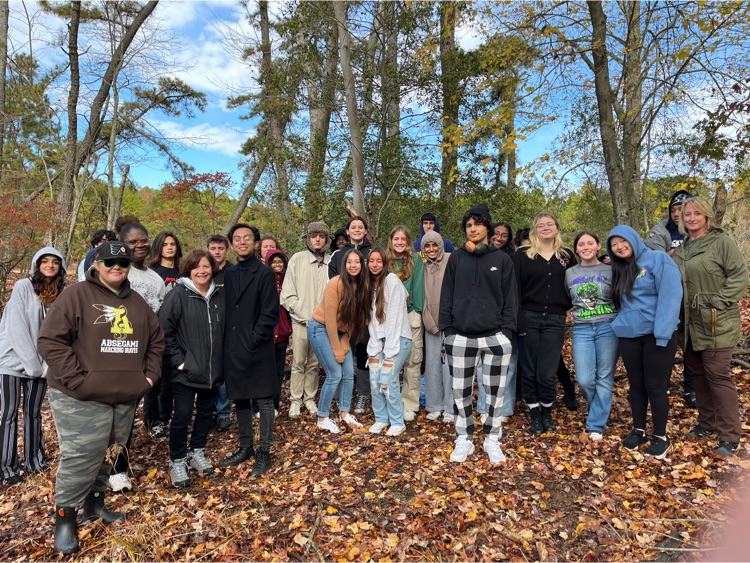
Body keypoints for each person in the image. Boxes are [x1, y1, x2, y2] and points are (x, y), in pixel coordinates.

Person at [38, 241, 164, 554]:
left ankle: (95, 505)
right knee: (82, 456)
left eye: (122, 262)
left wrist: (147, 378)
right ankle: (65, 518)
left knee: (110, 452)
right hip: (78, 396)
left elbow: (157, 343)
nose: (116, 267)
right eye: (109, 262)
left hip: (123, 396)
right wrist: (77, 381)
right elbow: (50, 341)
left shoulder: (137, 303)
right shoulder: (76, 295)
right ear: (97, 264)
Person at [439, 203, 517, 464]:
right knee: (460, 392)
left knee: (495, 394)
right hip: (460, 335)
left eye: (477, 224)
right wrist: (448, 330)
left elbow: (510, 299)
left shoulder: (502, 260)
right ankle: (464, 439)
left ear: (488, 227)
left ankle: (492, 440)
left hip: (495, 336)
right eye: (468, 226)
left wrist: (506, 333)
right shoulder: (457, 258)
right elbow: (446, 295)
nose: (473, 229)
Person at [672, 197, 748, 458]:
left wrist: (718, 301)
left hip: (717, 321)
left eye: (696, 214)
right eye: (687, 214)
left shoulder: (721, 242)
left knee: (717, 374)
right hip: (689, 323)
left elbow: (739, 275)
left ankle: (730, 435)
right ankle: (707, 424)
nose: (691, 218)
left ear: (706, 216)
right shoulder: (681, 249)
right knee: (698, 373)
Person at [606, 225, 682, 459]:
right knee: (636, 385)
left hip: (657, 335)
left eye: (622, 241)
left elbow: (671, 296)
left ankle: (660, 435)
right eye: (614, 244)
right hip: (629, 335)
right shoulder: (620, 268)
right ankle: (638, 429)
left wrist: (662, 333)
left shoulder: (657, 259)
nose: (619, 247)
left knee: (656, 386)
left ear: (633, 238)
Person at [0, 247, 66, 487]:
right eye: (44, 261)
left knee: (34, 413)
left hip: (40, 365)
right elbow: (16, 327)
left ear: (61, 266)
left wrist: (46, 364)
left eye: (55, 262)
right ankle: (6, 468)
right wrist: (32, 365)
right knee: (7, 414)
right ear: (36, 264)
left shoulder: (62, 294)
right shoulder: (22, 287)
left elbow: (59, 333)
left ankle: (34, 462)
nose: (49, 265)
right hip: (11, 361)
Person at [158, 250, 224, 488]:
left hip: (212, 369)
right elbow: (165, 331)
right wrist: (180, 361)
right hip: (185, 371)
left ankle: (197, 451)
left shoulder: (219, 295)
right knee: (182, 416)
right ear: (189, 270)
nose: (202, 271)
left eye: (206, 266)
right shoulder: (178, 294)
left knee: (206, 413)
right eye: (197, 267)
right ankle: (177, 459)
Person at [110, 221, 166, 492]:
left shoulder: (155, 278)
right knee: (106, 413)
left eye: (143, 240)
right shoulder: (115, 269)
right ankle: (102, 468)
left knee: (127, 413)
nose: (140, 245)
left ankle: (119, 468)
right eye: (133, 242)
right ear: (123, 244)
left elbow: (161, 315)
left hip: (141, 354)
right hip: (112, 350)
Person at [219, 224, 278, 476]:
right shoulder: (228, 274)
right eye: (237, 239)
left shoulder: (264, 273)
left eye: (247, 238)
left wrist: (253, 339)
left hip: (257, 347)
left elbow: (269, 314)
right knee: (240, 398)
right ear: (232, 244)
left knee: (263, 400)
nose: (242, 242)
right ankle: (246, 447)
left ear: (256, 243)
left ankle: (264, 452)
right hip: (233, 348)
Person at [513, 213, 576, 436]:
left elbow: (577, 281)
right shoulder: (522, 256)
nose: (546, 228)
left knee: (547, 372)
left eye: (550, 224)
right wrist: (517, 320)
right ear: (535, 230)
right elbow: (515, 290)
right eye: (541, 225)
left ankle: (547, 410)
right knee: (529, 369)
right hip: (528, 318)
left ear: (557, 228)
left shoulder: (566, 256)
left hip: (555, 320)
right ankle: (534, 414)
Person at [308, 249, 371, 434]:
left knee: (349, 371)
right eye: (349, 262)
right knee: (335, 373)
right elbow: (329, 320)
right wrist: (337, 349)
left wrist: (345, 342)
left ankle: (344, 413)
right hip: (320, 328)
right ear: (344, 265)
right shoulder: (335, 284)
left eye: (357, 262)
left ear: (361, 265)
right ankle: (322, 417)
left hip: (341, 332)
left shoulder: (361, 287)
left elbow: (354, 319)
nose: (353, 265)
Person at [565, 231, 619, 441]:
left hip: (608, 327)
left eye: (590, 243)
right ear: (576, 249)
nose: (586, 247)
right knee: (585, 379)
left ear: (598, 246)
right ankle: (599, 407)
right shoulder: (570, 273)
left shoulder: (611, 270)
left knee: (605, 376)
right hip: (582, 329)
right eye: (581, 244)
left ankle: (596, 424)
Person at [645, 189, 697, 408]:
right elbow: (654, 260)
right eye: (673, 210)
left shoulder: (700, 230)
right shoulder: (660, 231)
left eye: (681, 209)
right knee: (664, 339)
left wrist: (672, 254)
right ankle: (662, 383)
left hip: (694, 295)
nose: (677, 214)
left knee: (692, 342)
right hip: (666, 297)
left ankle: (691, 387)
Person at [280, 222, 332, 418]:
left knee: (314, 363)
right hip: (301, 322)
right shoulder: (297, 259)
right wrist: (301, 312)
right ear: (308, 239)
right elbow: (287, 293)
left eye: (321, 236)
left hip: (323, 323)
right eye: (313, 236)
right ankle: (295, 400)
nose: (317, 239)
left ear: (326, 239)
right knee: (298, 362)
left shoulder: (330, 261)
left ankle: (309, 398)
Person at [366, 247, 412, 436]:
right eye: (371, 261)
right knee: (374, 379)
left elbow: (395, 318)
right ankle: (381, 418)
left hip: (398, 339)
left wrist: (391, 349)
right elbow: (371, 320)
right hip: (379, 339)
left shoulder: (392, 281)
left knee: (387, 378)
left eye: (379, 261)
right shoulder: (369, 284)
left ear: (385, 263)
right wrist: (375, 344)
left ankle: (397, 421)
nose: (375, 264)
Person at [386, 226, 424, 421]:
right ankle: (390, 400)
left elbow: (418, 287)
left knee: (412, 360)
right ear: (391, 241)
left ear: (408, 242)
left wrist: (417, 311)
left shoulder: (417, 260)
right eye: (396, 239)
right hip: (390, 317)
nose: (399, 242)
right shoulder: (384, 260)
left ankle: (409, 403)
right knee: (390, 359)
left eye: (403, 239)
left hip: (410, 314)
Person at [420, 231, 453, 423]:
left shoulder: (451, 261)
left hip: (450, 321)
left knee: (450, 365)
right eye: (427, 246)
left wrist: (450, 320)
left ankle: (450, 406)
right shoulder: (421, 266)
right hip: (429, 321)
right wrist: (429, 322)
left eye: (435, 245)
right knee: (432, 364)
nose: (432, 249)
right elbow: (419, 295)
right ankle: (434, 405)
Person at [265, 248, 292, 414]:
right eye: (273, 261)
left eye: (280, 261)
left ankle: (274, 403)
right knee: (263, 371)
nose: (277, 265)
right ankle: (262, 404)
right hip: (266, 334)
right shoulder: (264, 281)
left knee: (278, 371)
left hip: (282, 332)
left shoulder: (288, 281)